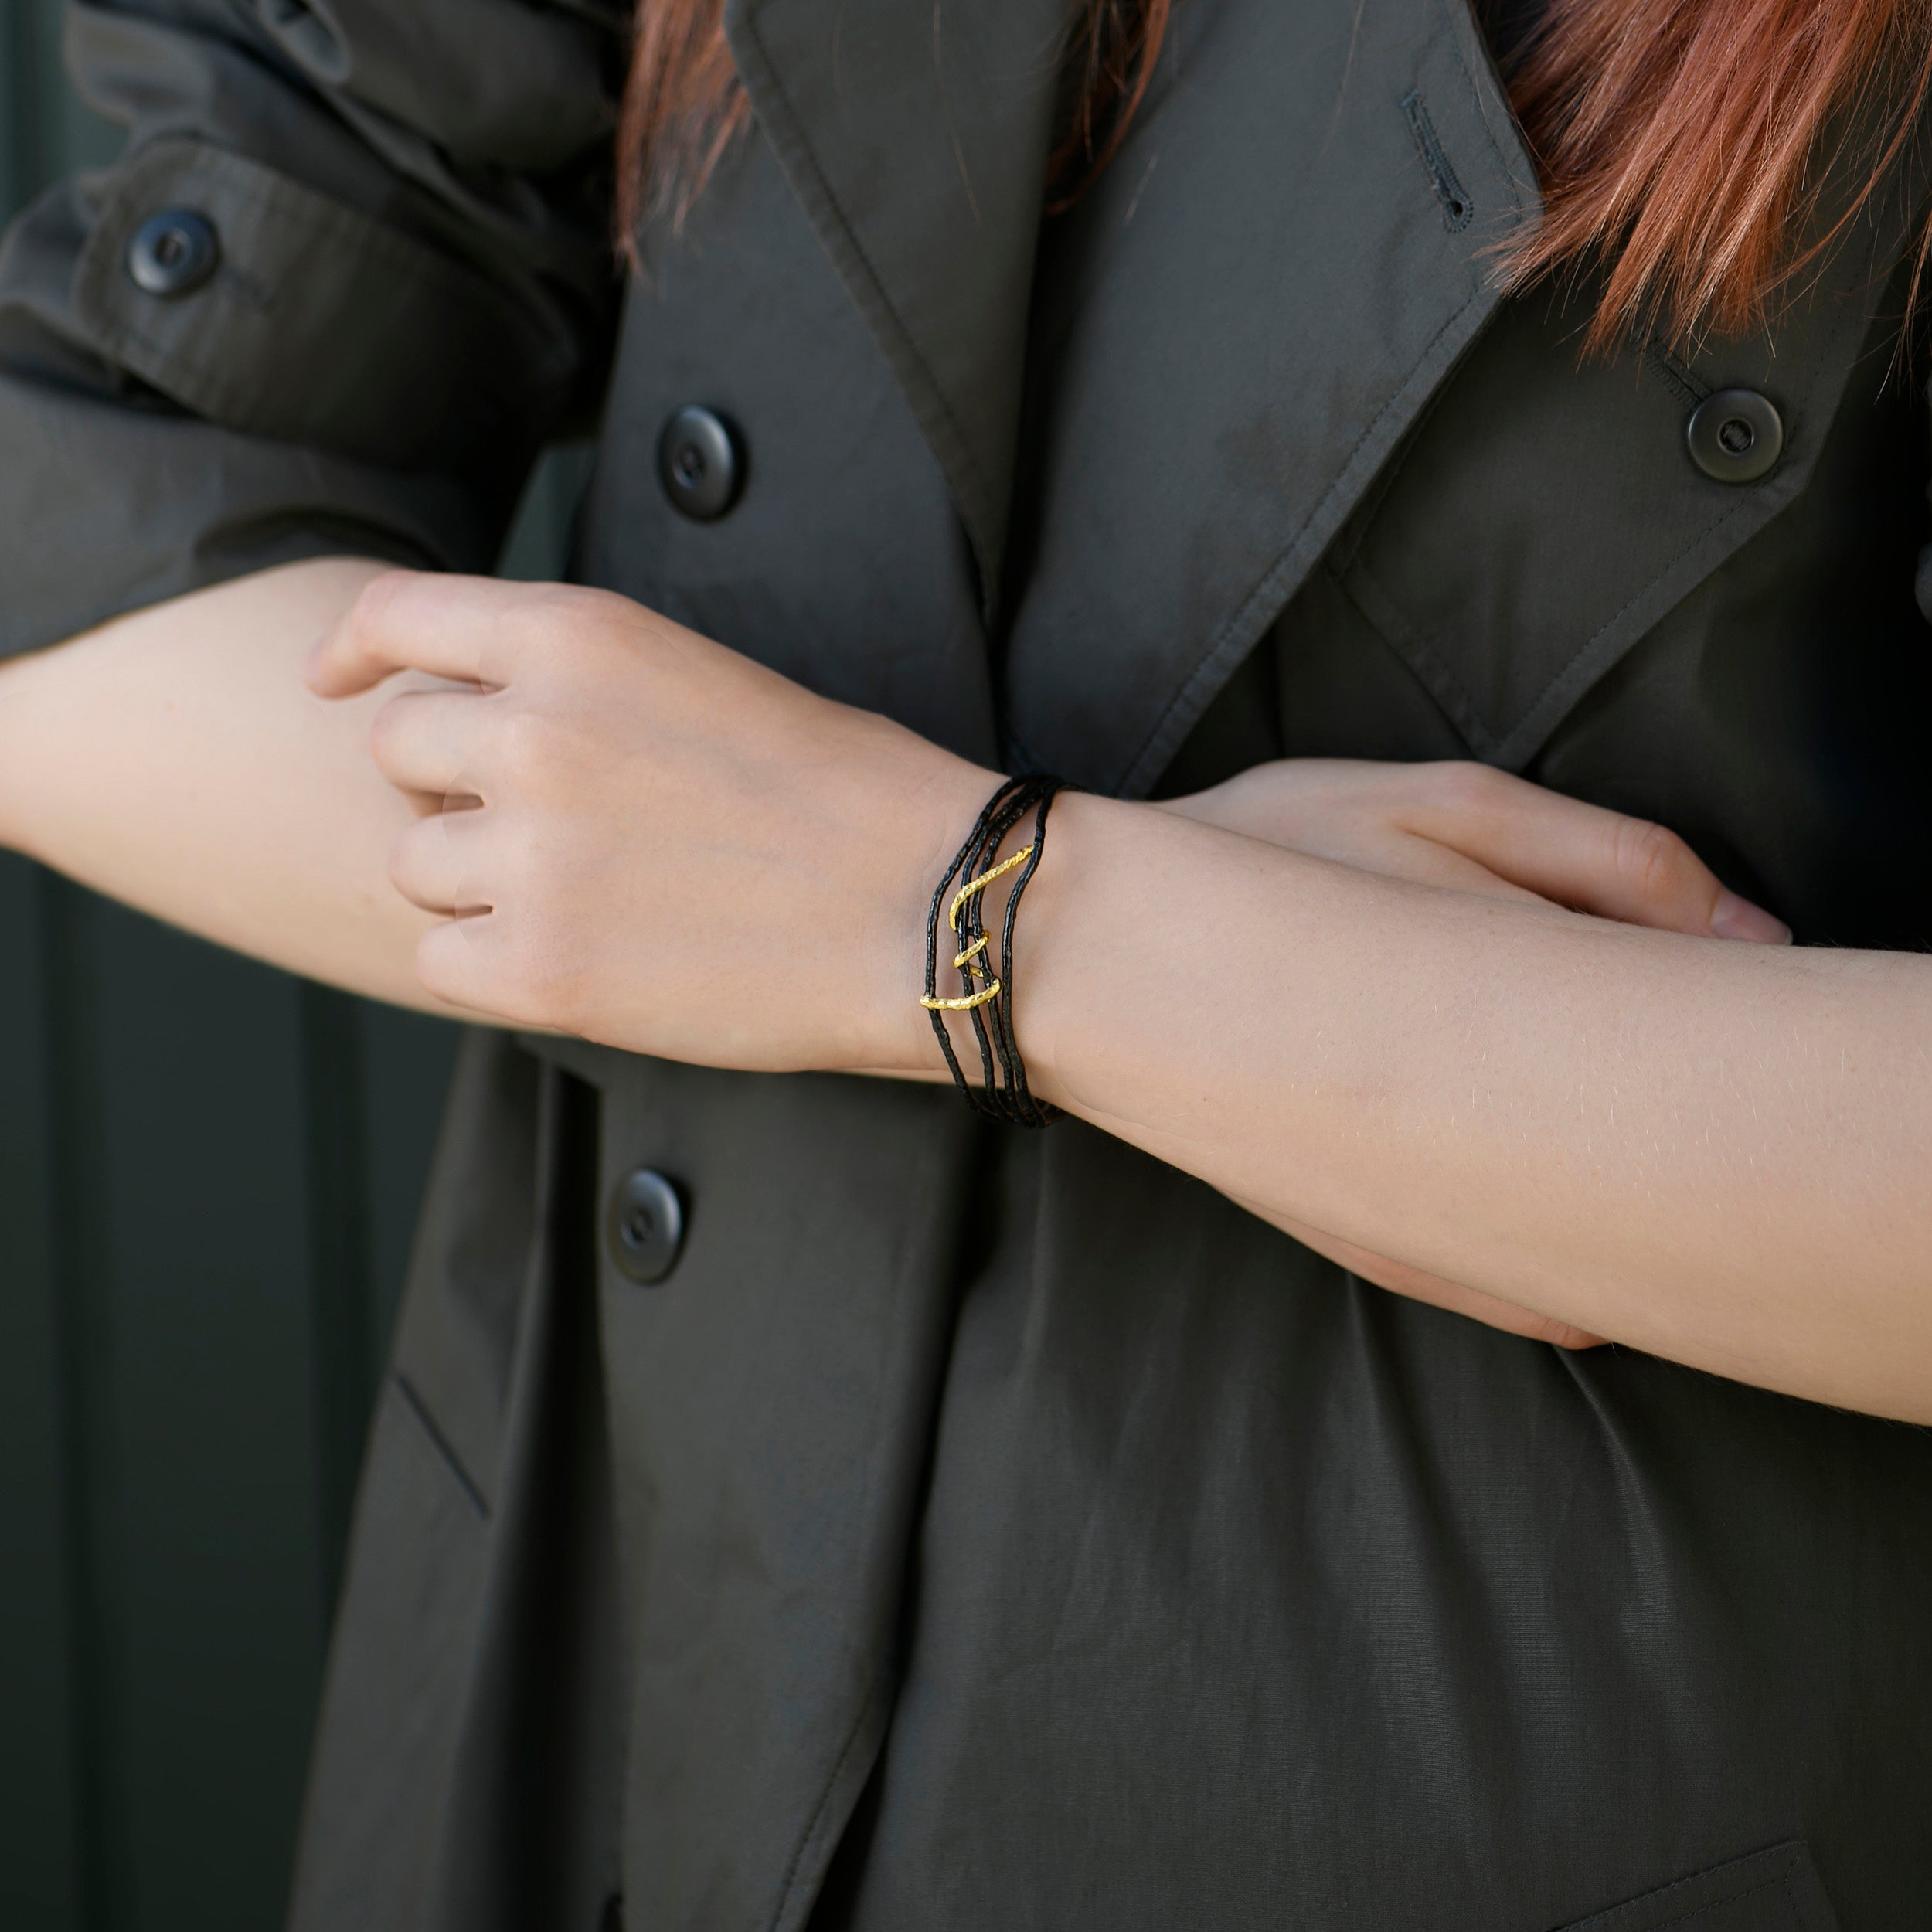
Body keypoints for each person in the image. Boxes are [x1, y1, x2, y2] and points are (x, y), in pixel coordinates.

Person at [2, 0, 1930, 1923]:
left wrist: (1007, 918)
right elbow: (81, 558)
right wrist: (856, 904)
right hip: (644, 1665)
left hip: (1514, 1767)